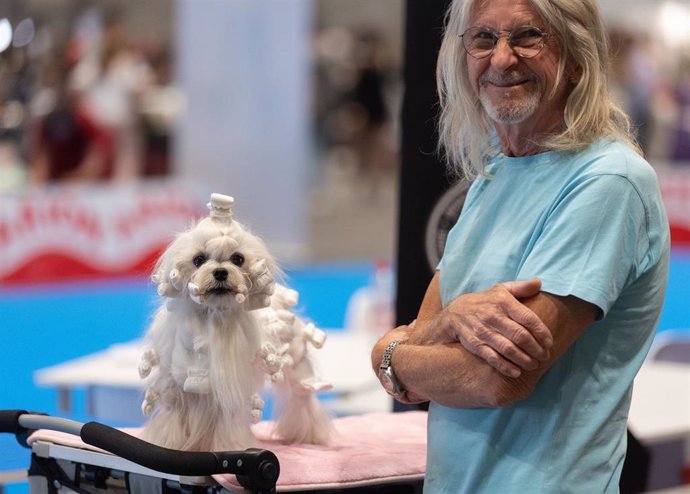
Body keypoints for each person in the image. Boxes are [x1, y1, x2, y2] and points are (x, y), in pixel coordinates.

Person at [371, 0, 670, 492]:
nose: (503, 59)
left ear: (576, 58)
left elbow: (494, 379)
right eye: (483, 39)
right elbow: (427, 333)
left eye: (529, 36)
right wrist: (445, 324)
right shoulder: (493, 176)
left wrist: (388, 353)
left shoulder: (608, 182)